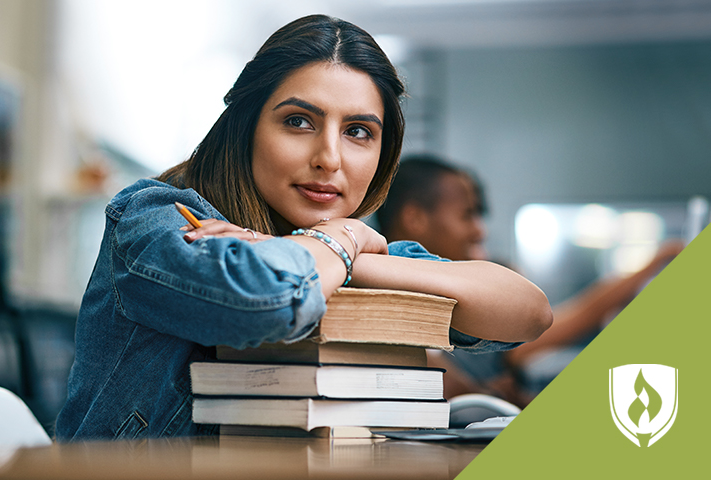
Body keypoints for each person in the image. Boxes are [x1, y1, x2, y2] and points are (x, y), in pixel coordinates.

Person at [54, 15, 552, 442]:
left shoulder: (348, 253)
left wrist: (339, 250)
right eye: (298, 122)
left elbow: (527, 313)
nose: (329, 158)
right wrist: (339, 240)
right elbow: (266, 298)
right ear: (246, 126)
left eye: (358, 132)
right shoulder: (155, 217)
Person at [375, 155, 683, 405]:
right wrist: (656, 263)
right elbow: (567, 320)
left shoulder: (476, 290)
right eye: (467, 215)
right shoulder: (379, 300)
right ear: (415, 217)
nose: (480, 230)